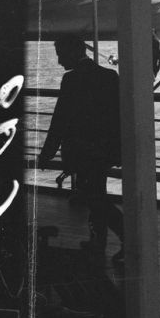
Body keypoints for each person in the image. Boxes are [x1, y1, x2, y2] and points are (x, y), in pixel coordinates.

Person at [37, 33, 124, 256]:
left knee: (93, 197)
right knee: (96, 194)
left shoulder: (71, 80)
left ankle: (124, 236)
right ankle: (98, 240)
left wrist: (47, 152)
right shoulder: (109, 76)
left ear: (73, 52)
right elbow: (117, 116)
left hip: (82, 150)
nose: (59, 61)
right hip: (104, 149)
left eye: (60, 54)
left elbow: (60, 120)